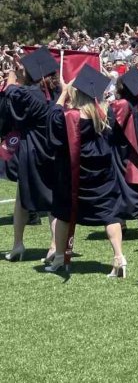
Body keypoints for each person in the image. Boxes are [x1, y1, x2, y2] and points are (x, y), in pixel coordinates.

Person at [45, 65, 128, 277]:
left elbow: (52, 118)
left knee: (63, 213)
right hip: (101, 175)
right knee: (110, 213)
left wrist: (63, 92)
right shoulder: (105, 114)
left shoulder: (70, 117)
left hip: (74, 174)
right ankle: (119, 257)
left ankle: (59, 256)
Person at [2, 47, 59, 263]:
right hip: (52, 147)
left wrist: (12, 73)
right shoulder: (57, 92)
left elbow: (9, 90)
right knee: (53, 199)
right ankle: (54, 246)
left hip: (31, 147)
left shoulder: (28, 94)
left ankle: (18, 244)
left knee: (22, 197)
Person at [109, 67, 138, 237]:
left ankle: (124, 221)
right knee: (137, 185)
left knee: (119, 184)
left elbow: (111, 126)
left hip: (121, 149)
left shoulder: (120, 105)